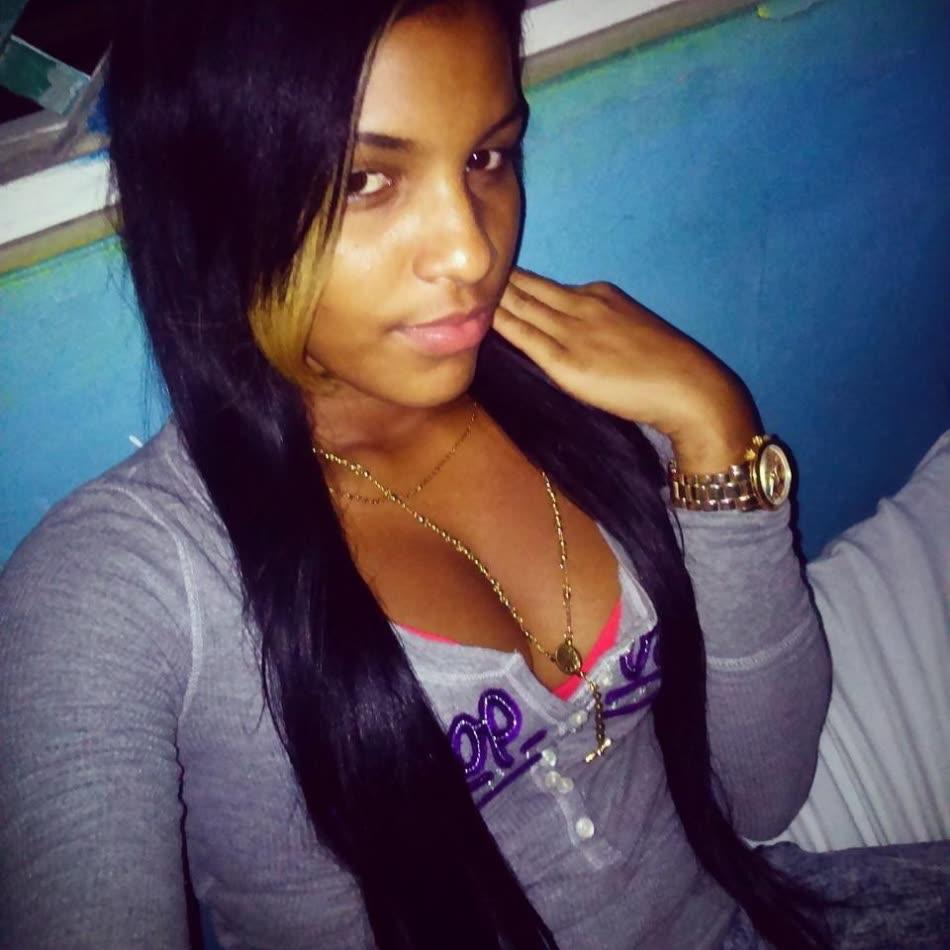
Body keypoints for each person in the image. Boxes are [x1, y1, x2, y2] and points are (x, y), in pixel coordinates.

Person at [0, 2, 944, 948]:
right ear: (208, 197)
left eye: (487, 156)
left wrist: (715, 427)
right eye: (366, 179)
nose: (472, 251)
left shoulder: (590, 392)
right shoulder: (122, 585)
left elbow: (764, 792)